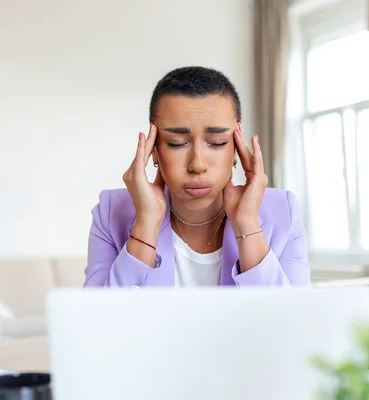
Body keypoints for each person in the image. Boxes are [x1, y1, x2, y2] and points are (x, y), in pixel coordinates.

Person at [83, 66, 310, 287]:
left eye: (217, 142)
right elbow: (98, 320)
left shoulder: (284, 212)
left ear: (236, 148)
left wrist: (247, 225)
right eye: (176, 143)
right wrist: (146, 224)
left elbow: (291, 320)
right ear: (153, 149)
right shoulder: (110, 212)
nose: (197, 164)